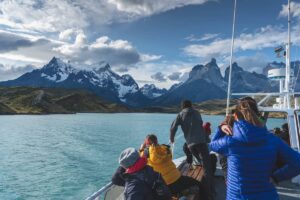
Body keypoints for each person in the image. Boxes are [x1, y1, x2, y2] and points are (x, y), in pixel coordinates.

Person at [210, 100, 300, 200]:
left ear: (235, 116)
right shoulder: (273, 140)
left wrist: (221, 127)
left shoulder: (230, 142)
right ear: (257, 115)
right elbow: (297, 163)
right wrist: (276, 177)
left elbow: (213, 145)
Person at [140, 134, 208, 200]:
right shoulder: (165, 149)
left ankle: (179, 193)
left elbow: (139, 161)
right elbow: (168, 155)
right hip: (177, 180)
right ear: (156, 141)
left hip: (164, 187)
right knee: (199, 184)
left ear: (146, 143)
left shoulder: (145, 154)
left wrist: (141, 149)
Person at [170, 100, 214, 200]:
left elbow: (173, 127)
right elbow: (200, 127)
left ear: (182, 107)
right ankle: (209, 193)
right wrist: (207, 139)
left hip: (190, 145)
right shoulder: (197, 113)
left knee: (201, 163)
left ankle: (204, 188)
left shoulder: (180, 115)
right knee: (207, 167)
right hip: (201, 143)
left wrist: (172, 138)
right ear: (191, 105)